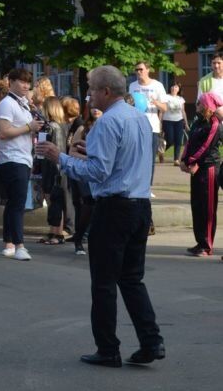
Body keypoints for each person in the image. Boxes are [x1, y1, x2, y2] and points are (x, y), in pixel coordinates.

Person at [37, 65, 164, 368]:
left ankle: (108, 348)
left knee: (104, 282)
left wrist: (62, 158)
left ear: (107, 91)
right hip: (139, 204)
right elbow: (128, 160)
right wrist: (89, 151)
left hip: (115, 207)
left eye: (92, 88)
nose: (88, 94)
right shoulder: (140, 119)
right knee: (132, 278)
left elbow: (98, 172)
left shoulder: (108, 122)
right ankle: (151, 340)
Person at [0, 68, 45, 261]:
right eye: (22, 82)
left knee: (13, 203)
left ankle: (9, 242)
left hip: (23, 158)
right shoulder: (7, 103)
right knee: (18, 203)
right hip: (12, 158)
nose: (26, 86)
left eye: (28, 83)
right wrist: (29, 127)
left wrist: (34, 127)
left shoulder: (23, 104)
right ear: (11, 82)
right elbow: (4, 132)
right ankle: (19, 245)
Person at [180, 93, 221, 257]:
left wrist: (191, 161)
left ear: (207, 106)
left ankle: (207, 245)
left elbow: (206, 147)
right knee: (197, 205)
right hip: (195, 168)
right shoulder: (197, 122)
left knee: (208, 207)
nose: (196, 105)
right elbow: (189, 142)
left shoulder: (215, 124)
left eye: (199, 103)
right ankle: (200, 242)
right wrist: (184, 160)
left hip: (208, 169)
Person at [68, 108, 103, 255]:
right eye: (93, 107)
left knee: (98, 206)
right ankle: (79, 239)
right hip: (83, 170)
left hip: (99, 172)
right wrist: (89, 158)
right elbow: (72, 152)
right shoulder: (83, 128)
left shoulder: (107, 125)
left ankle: (92, 238)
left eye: (99, 108)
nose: (95, 110)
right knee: (87, 203)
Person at [129, 62, 167, 188]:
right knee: (135, 156)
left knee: (149, 158)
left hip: (152, 126)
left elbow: (165, 108)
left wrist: (155, 102)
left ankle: (147, 186)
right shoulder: (132, 86)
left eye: (141, 69)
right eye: (136, 70)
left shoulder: (157, 85)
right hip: (134, 126)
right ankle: (136, 184)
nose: (138, 72)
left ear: (148, 70)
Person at [38, 97, 69, 245]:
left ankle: (58, 233)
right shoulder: (57, 126)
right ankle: (53, 231)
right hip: (51, 164)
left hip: (53, 165)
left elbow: (59, 148)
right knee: (52, 199)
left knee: (54, 198)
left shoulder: (54, 126)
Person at [162, 83, 187, 166]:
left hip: (179, 121)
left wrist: (186, 123)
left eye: (176, 87)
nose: (174, 88)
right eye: (172, 86)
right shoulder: (166, 97)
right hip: (167, 120)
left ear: (179, 89)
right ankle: (161, 150)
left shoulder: (181, 99)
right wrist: (160, 121)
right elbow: (162, 110)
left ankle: (176, 159)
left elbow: (183, 111)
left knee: (178, 141)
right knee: (170, 140)